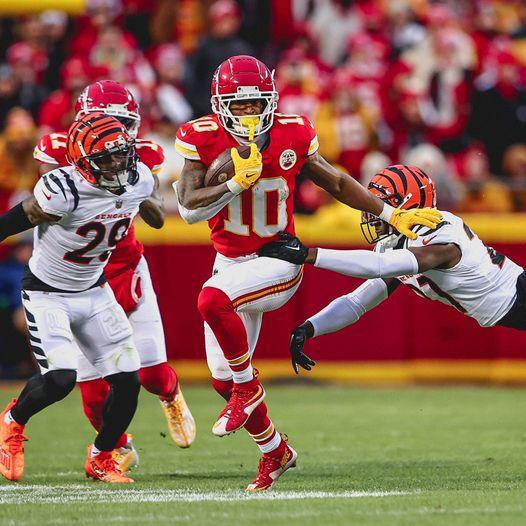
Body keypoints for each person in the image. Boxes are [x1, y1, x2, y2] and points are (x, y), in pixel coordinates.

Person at [174, 55, 442, 491]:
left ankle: (248, 389)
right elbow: (187, 210)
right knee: (222, 379)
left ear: (271, 99)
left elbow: (335, 182)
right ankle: (275, 451)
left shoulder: (293, 131)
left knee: (211, 301)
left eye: (254, 103)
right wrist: (233, 184)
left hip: (279, 259)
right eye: (237, 106)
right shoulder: (201, 137)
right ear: (219, 104)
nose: (246, 113)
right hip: (231, 264)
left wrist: (392, 215)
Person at [33, 80, 196, 471]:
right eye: (104, 122)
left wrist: (136, 183)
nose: (114, 136)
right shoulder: (56, 150)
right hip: (72, 278)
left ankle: (171, 393)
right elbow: (43, 205)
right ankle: (115, 448)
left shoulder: (138, 158)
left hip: (123, 268)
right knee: (93, 394)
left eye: (122, 124)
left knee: (152, 374)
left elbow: (155, 218)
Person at [0, 113, 155, 483]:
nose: (117, 164)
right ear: (83, 163)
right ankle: (12, 423)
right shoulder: (63, 189)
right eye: (106, 158)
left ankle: (101, 457)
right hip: (48, 292)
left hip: (95, 289)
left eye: (122, 155)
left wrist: (144, 198)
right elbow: (20, 218)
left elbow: (158, 215)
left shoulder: (138, 178)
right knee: (61, 379)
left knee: (128, 380)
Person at [256, 165, 525, 375]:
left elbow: (379, 267)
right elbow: (358, 302)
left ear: (409, 204)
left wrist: (308, 255)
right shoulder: (396, 243)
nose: (374, 211)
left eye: (384, 203)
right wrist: (309, 328)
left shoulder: (436, 233)